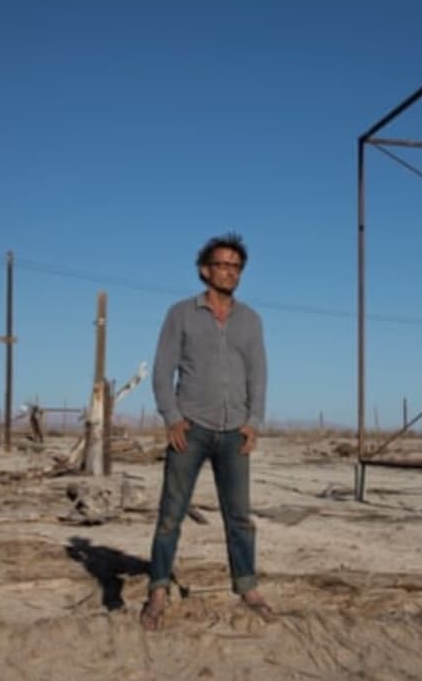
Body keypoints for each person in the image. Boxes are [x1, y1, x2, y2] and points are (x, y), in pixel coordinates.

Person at [141, 232, 271, 630]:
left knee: (240, 517)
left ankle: (247, 587)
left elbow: (258, 374)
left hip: (235, 433)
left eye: (236, 267)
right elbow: (163, 370)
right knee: (170, 515)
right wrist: (171, 416)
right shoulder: (180, 313)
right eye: (222, 265)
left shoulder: (250, 320)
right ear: (204, 270)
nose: (230, 272)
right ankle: (159, 590)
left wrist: (254, 422)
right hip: (191, 429)